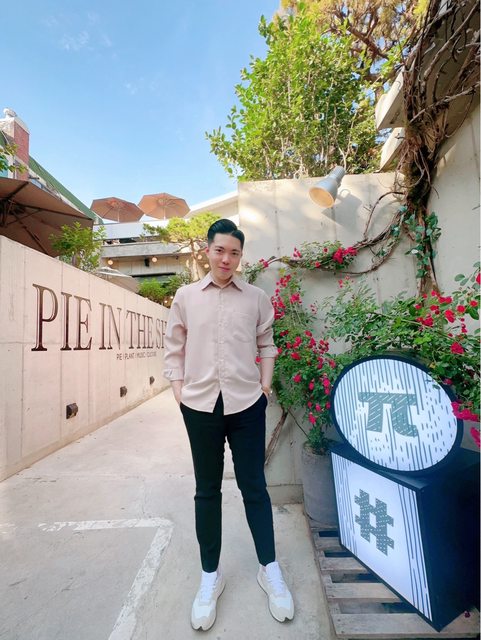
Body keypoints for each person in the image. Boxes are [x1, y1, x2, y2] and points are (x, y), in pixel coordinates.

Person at [163, 218, 294, 631]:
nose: (226, 259)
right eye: (220, 250)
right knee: (207, 490)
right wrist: (179, 391)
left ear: (240, 256)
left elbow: (267, 344)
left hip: (246, 405)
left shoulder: (256, 298)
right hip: (199, 405)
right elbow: (174, 347)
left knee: (255, 486)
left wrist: (265, 387)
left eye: (234, 253)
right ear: (208, 250)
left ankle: (269, 569)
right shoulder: (186, 297)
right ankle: (210, 576)